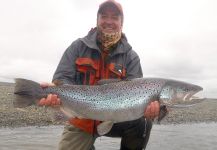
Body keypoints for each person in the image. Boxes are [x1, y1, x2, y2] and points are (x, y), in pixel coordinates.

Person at [39, 0, 160, 149]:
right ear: (97, 20)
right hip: (81, 119)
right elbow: (62, 79)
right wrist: (55, 92)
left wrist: (150, 111)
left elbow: (137, 90)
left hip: (116, 120)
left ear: (121, 23)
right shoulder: (78, 47)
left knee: (144, 123)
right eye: (104, 16)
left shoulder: (131, 56)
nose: (109, 21)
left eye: (114, 17)